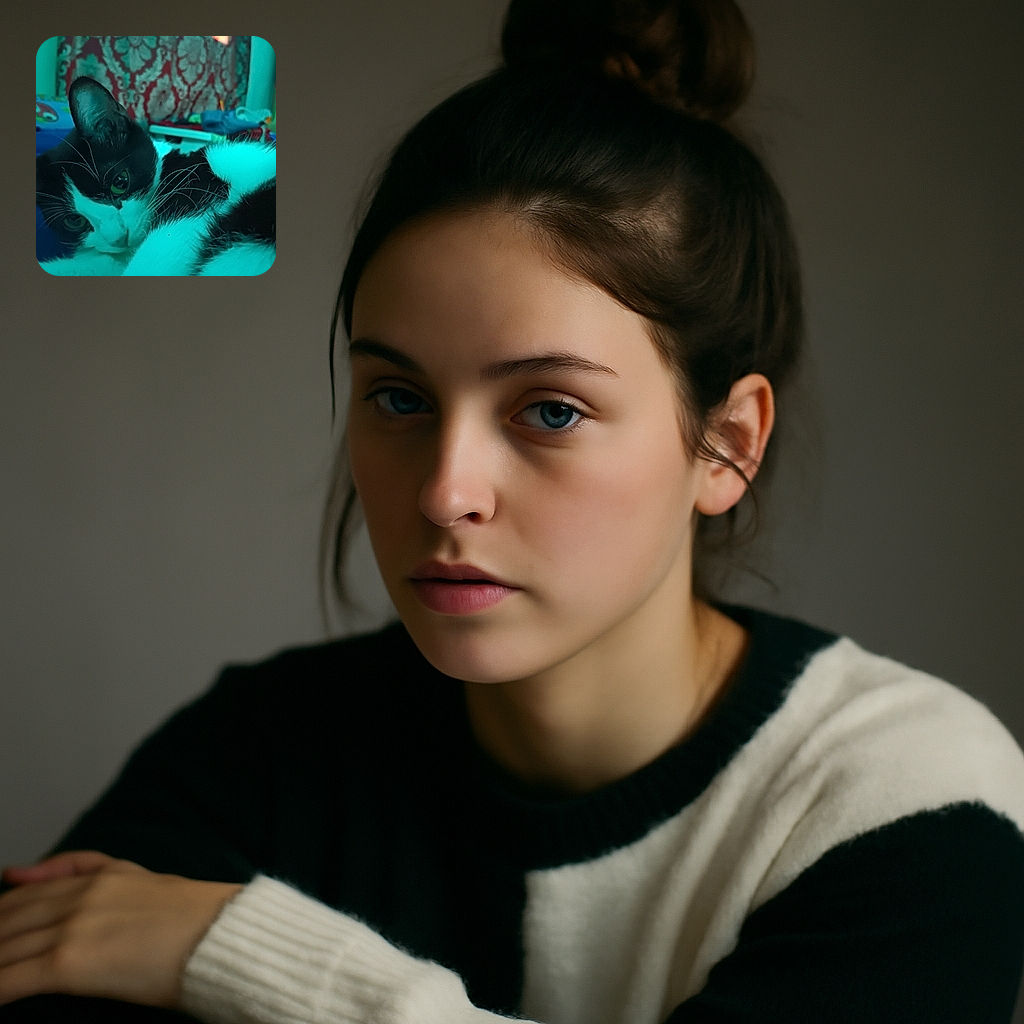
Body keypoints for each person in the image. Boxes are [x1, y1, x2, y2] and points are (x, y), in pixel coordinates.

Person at [2, 1, 1023, 1021]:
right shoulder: (255, 759)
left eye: (549, 409)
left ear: (727, 444)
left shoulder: (903, 800)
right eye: (398, 397)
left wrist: (248, 957)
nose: (446, 490)